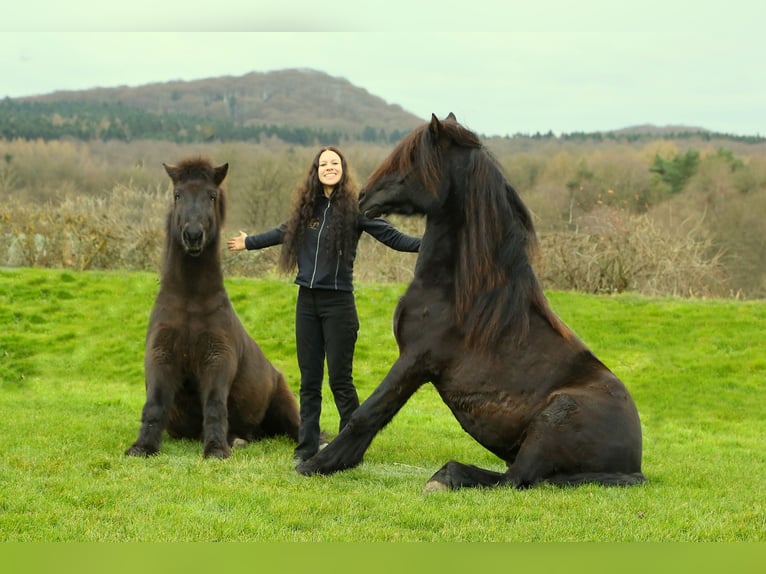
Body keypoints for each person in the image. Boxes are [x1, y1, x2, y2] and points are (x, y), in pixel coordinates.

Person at [227, 146, 420, 464]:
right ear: (315, 171)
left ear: (343, 169)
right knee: (310, 380)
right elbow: (282, 233)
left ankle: (350, 447)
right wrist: (249, 242)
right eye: (323, 164)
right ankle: (306, 447)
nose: (329, 167)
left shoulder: (357, 210)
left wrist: (433, 244)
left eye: (335, 163)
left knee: (340, 381)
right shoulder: (308, 209)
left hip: (339, 304)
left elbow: (395, 238)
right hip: (307, 303)